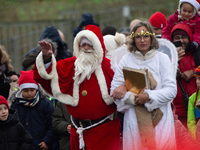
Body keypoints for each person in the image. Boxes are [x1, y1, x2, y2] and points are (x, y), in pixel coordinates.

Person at [34, 25, 120, 150]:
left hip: (105, 133)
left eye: (90, 45)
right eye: (83, 44)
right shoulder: (68, 66)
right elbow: (47, 79)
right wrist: (46, 58)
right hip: (77, 134)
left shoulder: (112, 68)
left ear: (98, 46)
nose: (86, 48)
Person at [110, 21, 177, 150]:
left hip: (160, 119)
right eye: (138, 36)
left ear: (151, 37)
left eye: (145, 36)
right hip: (134, 121)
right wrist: (132, 98)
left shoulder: (162, 58)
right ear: (133, 39)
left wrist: (149, 96)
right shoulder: (126, 60)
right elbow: (114, 91)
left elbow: (171, 90)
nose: (142, 40)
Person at [9, 70, 56, 150]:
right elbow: (11, 126)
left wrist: (47, 141)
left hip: (41, 145)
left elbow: (53, 124)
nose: (29, 93)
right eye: (25, 91)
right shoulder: (15, 104)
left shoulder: (45, 103)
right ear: (20, 90)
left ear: (37, 89)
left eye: (32, 90)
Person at [171, 23, 198, 128]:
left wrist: (193, 72)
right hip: (177, 110)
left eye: (184, 37)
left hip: (196, 107)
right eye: (177, 38)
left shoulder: (196, 54)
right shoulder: (167, 56)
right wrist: (174, 61)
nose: (181, 41)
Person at [187, 66, 200, 139]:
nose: (197, 81)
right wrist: (195, 136)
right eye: (196, 78)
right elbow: (191, 121)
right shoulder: (192, 99)